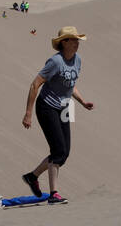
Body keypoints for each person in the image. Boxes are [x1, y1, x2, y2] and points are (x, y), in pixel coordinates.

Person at [21, 27, 94, 205]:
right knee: (58, 150)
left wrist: (82, 102)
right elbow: (35, 84)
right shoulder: (55, 62)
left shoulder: (77, 60)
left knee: (64, 153)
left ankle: (32, 177)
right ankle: (54, 194)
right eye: (73, 40)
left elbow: (70, 85)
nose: (77, 43)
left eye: (78, 40)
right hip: (46, 107)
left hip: (64, 108)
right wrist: (28, 113)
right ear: (64, 42)